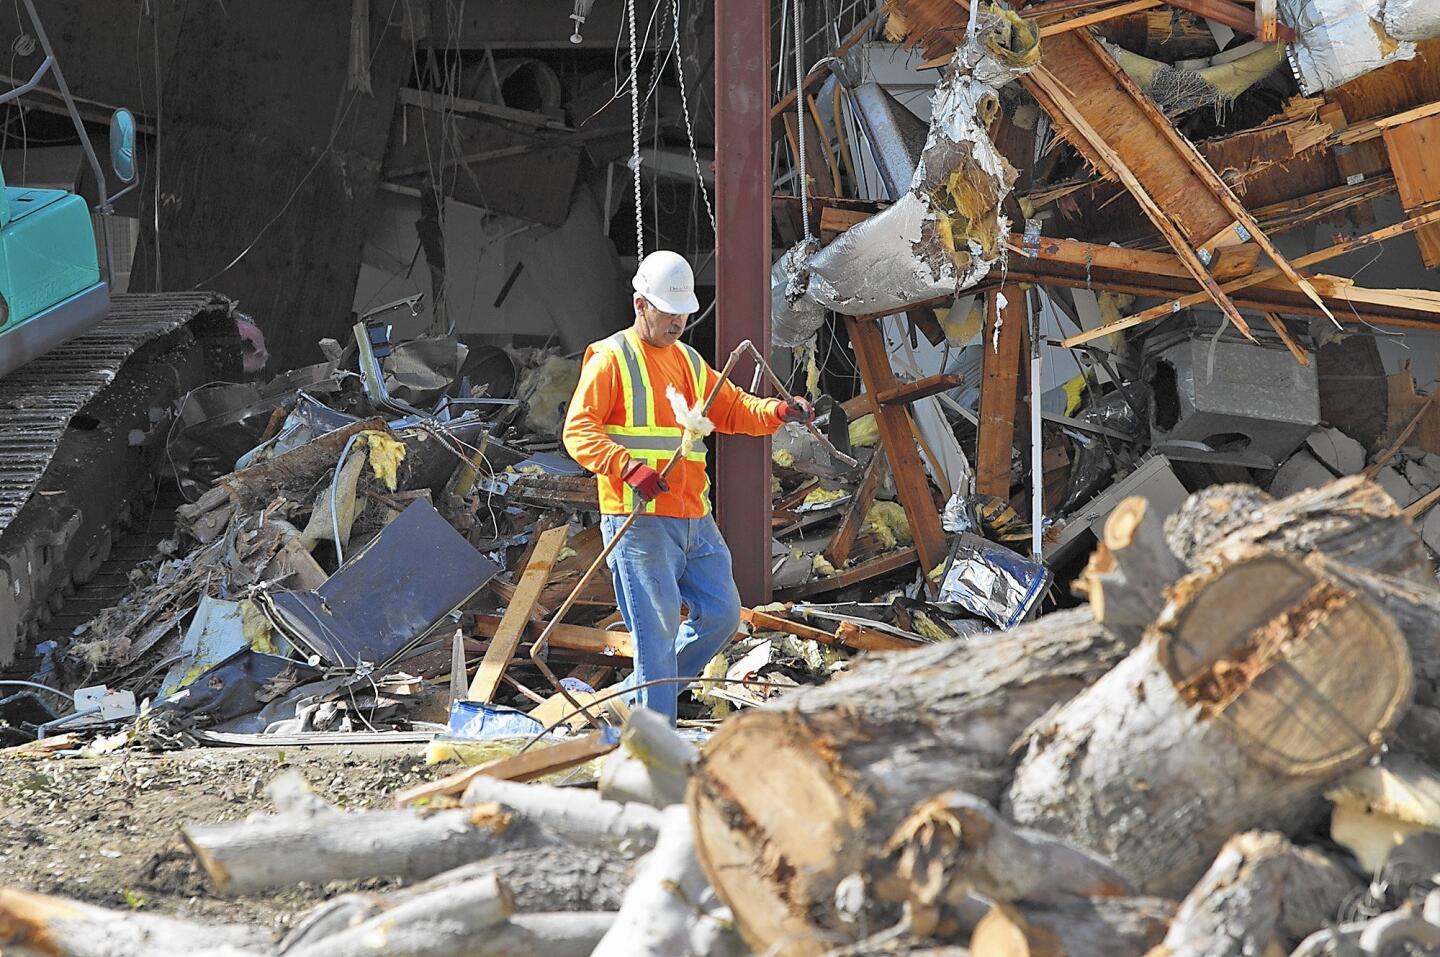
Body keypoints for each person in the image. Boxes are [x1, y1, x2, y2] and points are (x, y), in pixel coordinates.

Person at [562, 250, 814, 725]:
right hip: (639, 522)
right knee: (655, 636)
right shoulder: (611, 358)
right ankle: (658, 742)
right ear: (640, 305)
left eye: (683, 313)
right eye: (668, 311)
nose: (678, 321)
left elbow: (732, 407)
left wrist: (778, 413)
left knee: (721, 615)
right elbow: (578, 431)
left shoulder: (688, 361)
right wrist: (627, 467)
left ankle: (638, 700)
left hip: (694, 517)